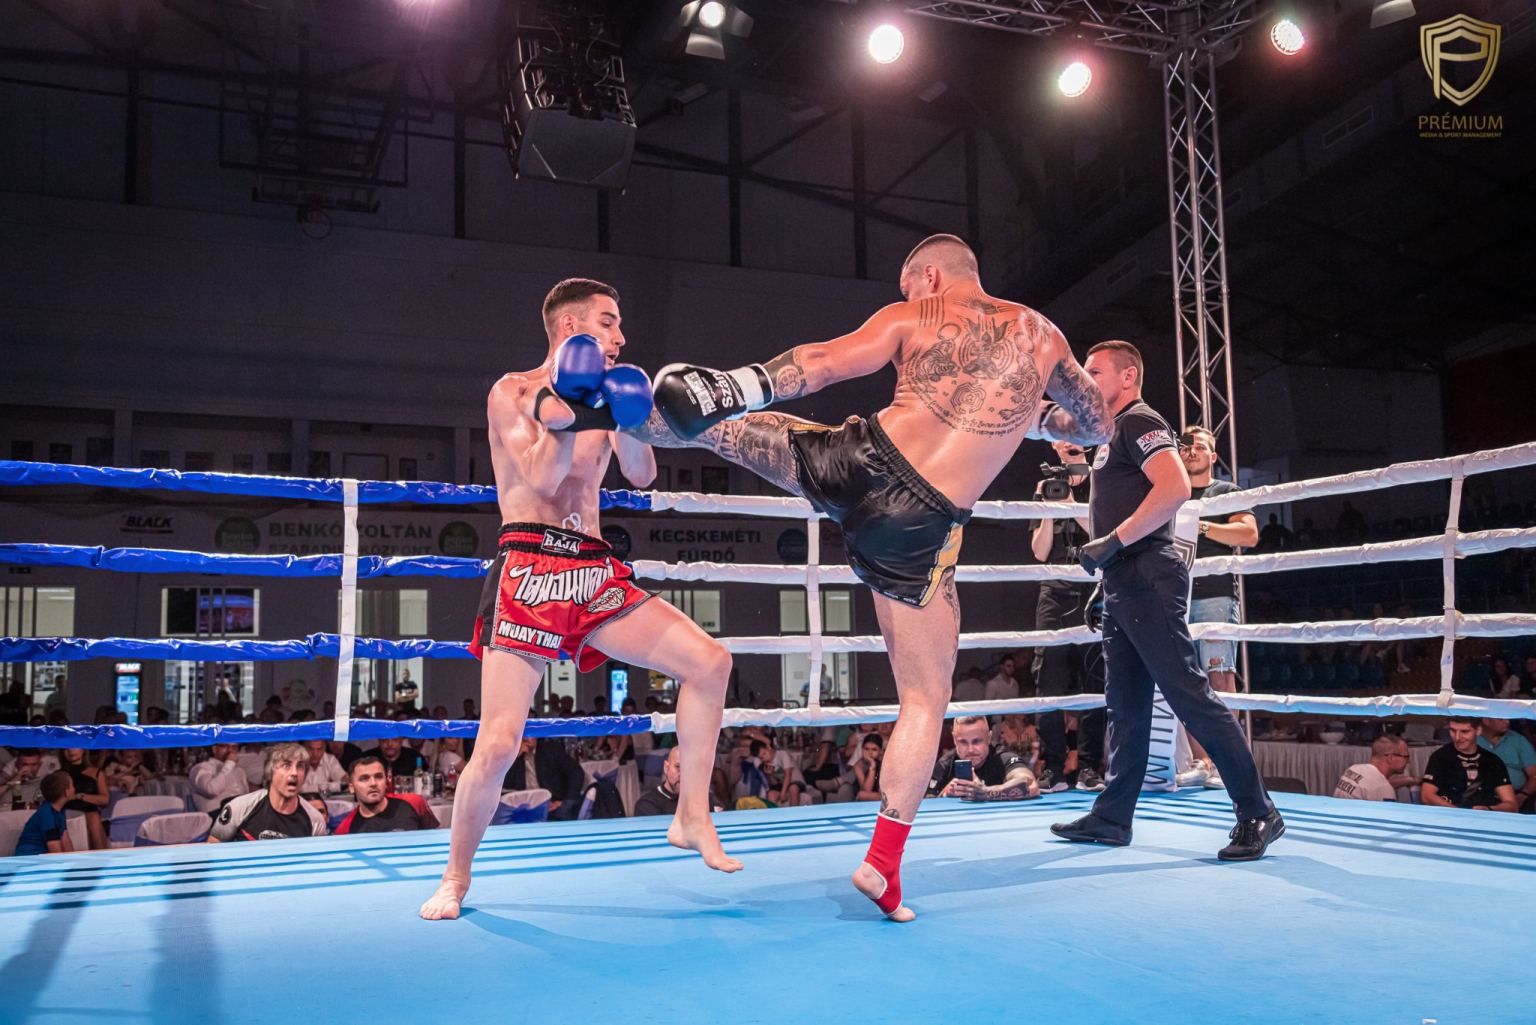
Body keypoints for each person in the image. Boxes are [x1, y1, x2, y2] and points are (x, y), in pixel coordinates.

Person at [633, 234, 1112, 920]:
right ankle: (881, 865)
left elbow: (823, 363)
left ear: (929, 275)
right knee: (924, 696)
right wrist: (1036, 417)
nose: (908, 293)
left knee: (725, 429)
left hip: (856, 460)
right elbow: (1095, 424)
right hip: (919, 530)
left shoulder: (913, 315)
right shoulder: (1043, 335)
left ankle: (612, 409)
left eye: (908, 284)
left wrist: (737, 385)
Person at [419, 278, 745, 916]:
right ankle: (455, 877)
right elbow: (542, 477)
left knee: (711, 663)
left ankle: (691, 814)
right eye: (609, 321)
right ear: (571, 328)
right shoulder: (513, 391)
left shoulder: (615, 388)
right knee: (500, 742)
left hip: (593, 570)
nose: (621, 335)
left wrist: (628, 416)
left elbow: (642, 474)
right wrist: (569, 407)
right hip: (530, 569)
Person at [1051, 340, 1282, 860]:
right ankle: (1112, 817)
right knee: (1126, 704)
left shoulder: (1140, 420)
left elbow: (1175, 487)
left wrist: (1113, 543)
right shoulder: (1110, 432)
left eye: (1095, 372)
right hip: (1123, 579)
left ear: (1128, 376)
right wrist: (1107, 576)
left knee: (1188, 694)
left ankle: (1258, 811)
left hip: (1147, 575)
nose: (1086, 380)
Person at [1176, 425, 1258, 790]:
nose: (1191, 450)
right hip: (1175, 594)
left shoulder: (1226, 492)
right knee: (1185, 679)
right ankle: (1203, 762)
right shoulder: (1170, 492)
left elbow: (1248, 534)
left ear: (1213, 455)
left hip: (1214, 594)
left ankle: (1226, 762)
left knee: (1219, 675)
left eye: (1198, 446)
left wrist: (1202, 527)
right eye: (1185, 446)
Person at [1030, 438, 1105, 793]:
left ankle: (1089, 767)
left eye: (1074, 447)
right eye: (1062, 446)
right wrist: (1049, 506)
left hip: (1094, 588)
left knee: (1095, 678)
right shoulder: (1045, 485)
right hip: (1054, 590)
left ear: (1086, 446)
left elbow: (1103, 533)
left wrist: (1072, 505)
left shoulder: (1103, 479)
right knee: (1048, 680)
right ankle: (1053, 768)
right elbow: (1039, 551)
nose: (1067, 449)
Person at [208, 742, 328, 842]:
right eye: (286, 765)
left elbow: (318, 859)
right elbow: (213, 849)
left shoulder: (315, 819)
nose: (294, 773)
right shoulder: (239, 807)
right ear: (270, 772)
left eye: (300, 766)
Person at [928, 716, 1038, 801]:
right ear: (955, 740)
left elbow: (1031, 785)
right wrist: (944, 794)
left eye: (977, 741)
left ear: (989, 738)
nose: (970, 749)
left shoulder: (1002, 757)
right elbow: (927, 802)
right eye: (963, 742)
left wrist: (986, 792)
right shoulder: (945, 764)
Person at [1419, 721, 1516, 812]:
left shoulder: (1492, 760)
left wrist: (1489, 809)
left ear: (1478, 730)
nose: (1457, 737)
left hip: (1483, 819)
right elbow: (1426, 796)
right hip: (1448, 817)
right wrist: (1459, 813)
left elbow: (1512, 805)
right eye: (1453, 730)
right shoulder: (1440, 757)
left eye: (1464, 732)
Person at [334, 755, 440, 834]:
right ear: (351, 787)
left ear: (386, 782)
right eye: (364, 779)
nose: (373, 783)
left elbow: (436, 838)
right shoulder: (345, 829)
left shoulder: (414, 802)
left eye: (378, 777)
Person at [504, 736, 585, 820]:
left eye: (529, 734)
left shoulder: (551, 749)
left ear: (536, 737)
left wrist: (567, 802)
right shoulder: (513, 754)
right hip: (523, 809)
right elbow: (506, 785)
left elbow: (576, 773)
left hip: (550, 807)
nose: (525, 739)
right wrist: (515, 756)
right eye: (523, 735)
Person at [1477, 717, 1536, 811]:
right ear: (1486, 720)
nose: (1507, 722)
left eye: (1508, 718)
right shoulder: (1471, 738)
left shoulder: (1518, 740)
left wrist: (1522, 795)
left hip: (1518, 796)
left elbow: (1534, 775)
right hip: (1479, 796)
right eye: (1501, 719)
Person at [1333, 735, 1415, 801]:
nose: (1408, 761)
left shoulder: (1354, 769)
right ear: (1390, 758)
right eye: (1406, 757)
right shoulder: (1383, 788)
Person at [14, 770, 75, 856]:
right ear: (66, 792)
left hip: (43, 856)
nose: (74, 789)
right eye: (72, 786)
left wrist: (73, 859)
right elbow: (54, 849)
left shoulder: (60, 810)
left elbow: (65, 839)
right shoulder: (47, 814)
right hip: (29, 857)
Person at [59, 747, 109, 850]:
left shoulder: (96, 773)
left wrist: (81, 796)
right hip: (67, 813)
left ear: (83, 749)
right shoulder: (58, 775)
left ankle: (100, 855)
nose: (71, 751)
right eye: (66, 748)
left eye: (74, 747)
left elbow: (105, 800)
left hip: (89, 814)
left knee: (93, 817)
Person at [189, 743, 250, 812]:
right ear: (214, 749)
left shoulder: (240, 771)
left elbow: (246, 795)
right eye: (225, 746)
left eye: (234, 747)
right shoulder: (202, 768)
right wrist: (229, 764)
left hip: (241, 812)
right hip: (216, 813)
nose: (230, 750)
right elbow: (212, 790)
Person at [633, 746, 682, 817]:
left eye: (689, 768)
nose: (683, 774)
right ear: (666, 768)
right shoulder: (647, 804)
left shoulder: (698, 800)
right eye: (678, 767)